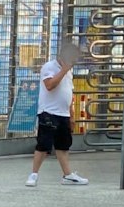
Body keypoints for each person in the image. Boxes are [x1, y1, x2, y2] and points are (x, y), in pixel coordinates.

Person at [27, 37, 89, 187]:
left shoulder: (69, 72)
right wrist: (63, 70)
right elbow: (50, 85)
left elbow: (69, 93)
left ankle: (67, 175)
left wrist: (71, 115)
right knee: (43, 144)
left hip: (63, 114)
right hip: (48, 112)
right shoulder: (49, 67)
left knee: (63, 145)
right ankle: (33, 174)